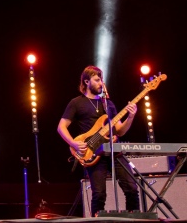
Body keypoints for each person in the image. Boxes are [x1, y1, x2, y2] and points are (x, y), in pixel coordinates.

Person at [57, 65, 139, 216]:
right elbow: (61, 127)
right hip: (93, 152)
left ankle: (134, 219)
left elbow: (120, 130)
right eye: (96, 80)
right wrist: (73, 143)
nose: (101, 83)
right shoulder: (76, 103)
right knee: (99, 194)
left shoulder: (108, 104)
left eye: (101, 79)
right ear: (86, 81)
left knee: (132, 189)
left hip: (113, 151)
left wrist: (131, 116)